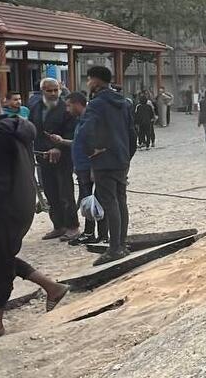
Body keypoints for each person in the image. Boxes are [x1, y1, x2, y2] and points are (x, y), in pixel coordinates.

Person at [0, 83, 70, 336]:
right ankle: (52, 287)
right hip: (21, 202)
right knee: (1, 254)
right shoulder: (18, 127)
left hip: (5, 207)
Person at [78, 66, 137, 266]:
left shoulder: (95, 105)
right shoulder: (125, 103)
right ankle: (122, 244)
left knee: (110, 201)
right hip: (121, 158)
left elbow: (84, 133)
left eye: (89, 80)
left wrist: (91, 151)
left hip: (104, 160)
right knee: (121, 200)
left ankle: (114, 250)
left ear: (94, 80)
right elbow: (132, 133)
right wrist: (127, 156)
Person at [51, 91, 108, 246]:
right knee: (87, 202)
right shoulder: (81, 121)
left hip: (91, 169)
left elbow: (97, 146)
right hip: (82, 168)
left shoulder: (91, 120)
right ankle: (89, 232)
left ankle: (103, 235)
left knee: (97, 201)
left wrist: (93, 169)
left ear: (77, 104)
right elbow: (78, 143)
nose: (67, 110)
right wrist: (62, 141)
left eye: (69, 106)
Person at [29, 78, 80, 241]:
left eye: (55, 90)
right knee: (50, 192)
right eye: (49, 90)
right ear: (42, 90)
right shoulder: (35, 106)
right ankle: (58, 225)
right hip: (43, 156)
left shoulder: (66, 108)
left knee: (65, 192)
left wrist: (59, 147)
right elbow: (32, 128)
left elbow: (72, 131)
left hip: (62, 156)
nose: (53, 94)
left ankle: (72, 226)